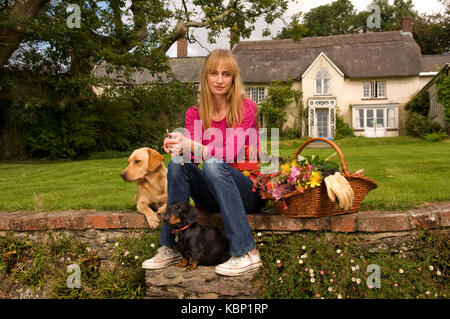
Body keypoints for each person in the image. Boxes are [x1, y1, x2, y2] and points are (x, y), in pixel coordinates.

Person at [141, 49, 264, 276]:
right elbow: (192, 160)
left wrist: (195, 146)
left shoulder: (246, 108)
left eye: (226, 74)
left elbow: (228, 153)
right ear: (205, 77)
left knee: (214, 163)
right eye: (213, 73)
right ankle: (169, 247)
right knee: (178, 164)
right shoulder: (194, 113)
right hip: (212, 194)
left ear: (233, 78)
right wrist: (177, 146)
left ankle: (247, 253)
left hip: (246, 192)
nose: (219, 80)